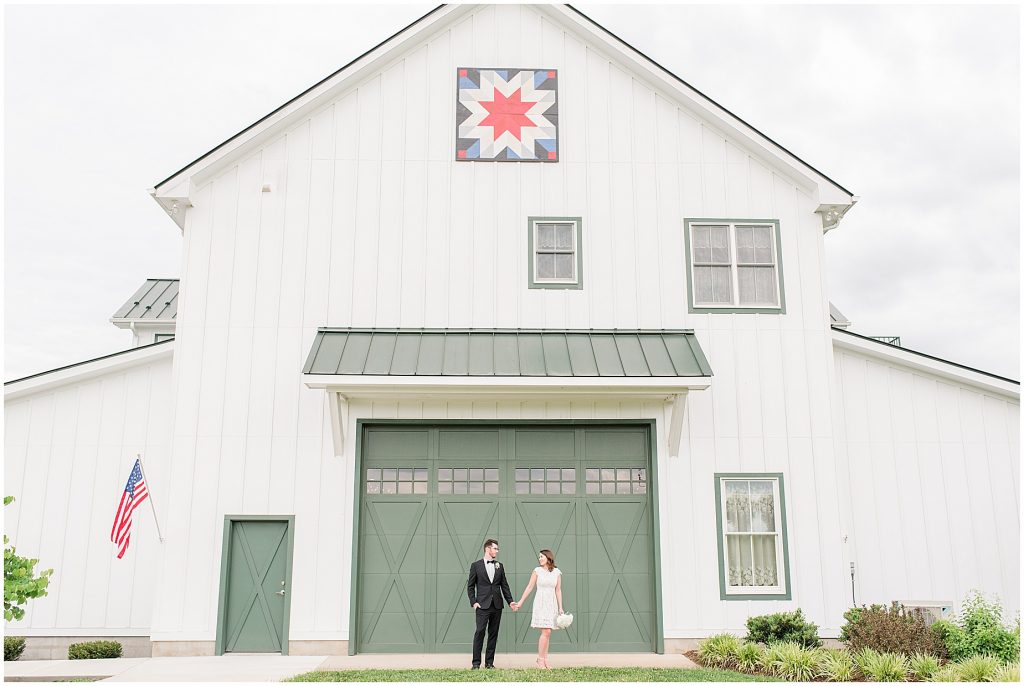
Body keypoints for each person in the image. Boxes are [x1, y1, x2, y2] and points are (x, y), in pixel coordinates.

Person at [511, 549, 564, 669]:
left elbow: (558, 590)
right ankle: (540, 659)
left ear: (548, 557)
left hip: (552, 604)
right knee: (546, 631)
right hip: (540, 603)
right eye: (539, 557)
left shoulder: (557, 572)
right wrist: (520, 602)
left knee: (548, 632)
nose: (539, 559)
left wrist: (560, 607)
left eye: (541, 556)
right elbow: (530, 587)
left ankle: (545, 659)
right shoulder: (537, 571)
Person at [466, 538, 514, 669]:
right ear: (488, 549)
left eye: (497, 549)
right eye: (495, 548)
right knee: (480, 632)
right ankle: (476, 664)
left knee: (493, 634)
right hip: (482, 605)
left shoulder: (500, 566)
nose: (497, 551)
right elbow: (470, 586)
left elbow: (504, 585)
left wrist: (510, 602)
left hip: (497, 605)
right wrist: (474, 602)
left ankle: (489, 663)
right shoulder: (475, 566)